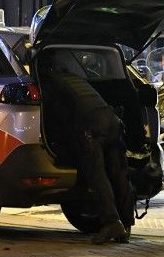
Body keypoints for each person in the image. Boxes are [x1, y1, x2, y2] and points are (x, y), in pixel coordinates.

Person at [42, 58, 133, 245]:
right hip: (112, 121)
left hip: (91, 128)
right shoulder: (75, 79)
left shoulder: (49, 84)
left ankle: (111, 223)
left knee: (97, 175)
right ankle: (126, 224)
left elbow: (58, 119)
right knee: (118, 173)